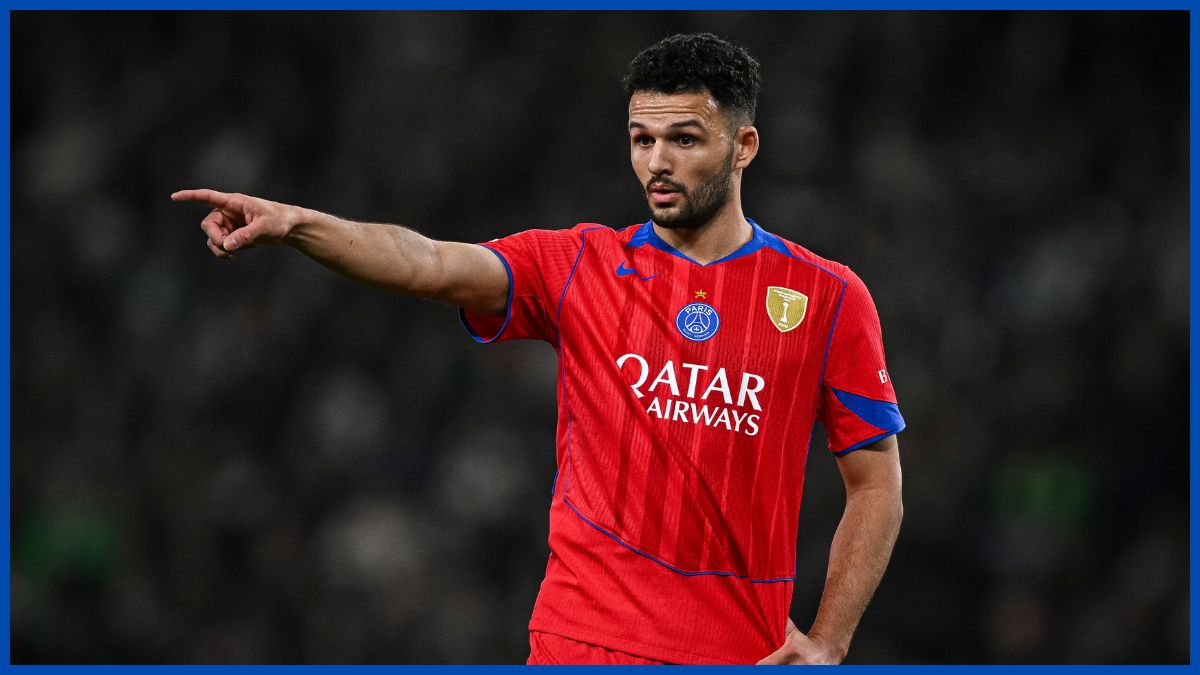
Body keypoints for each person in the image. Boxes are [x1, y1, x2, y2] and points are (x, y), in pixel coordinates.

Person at [174, 32, 905, 665]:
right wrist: (299, 223)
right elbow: (426, 262)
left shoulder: (827, 297)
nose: (656, 161)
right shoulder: (581, 263)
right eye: (641, 138)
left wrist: (831, 639)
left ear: (743, 146)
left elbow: (876, 484)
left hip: (739, 653)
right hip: (579, 642)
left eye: (684, 138)